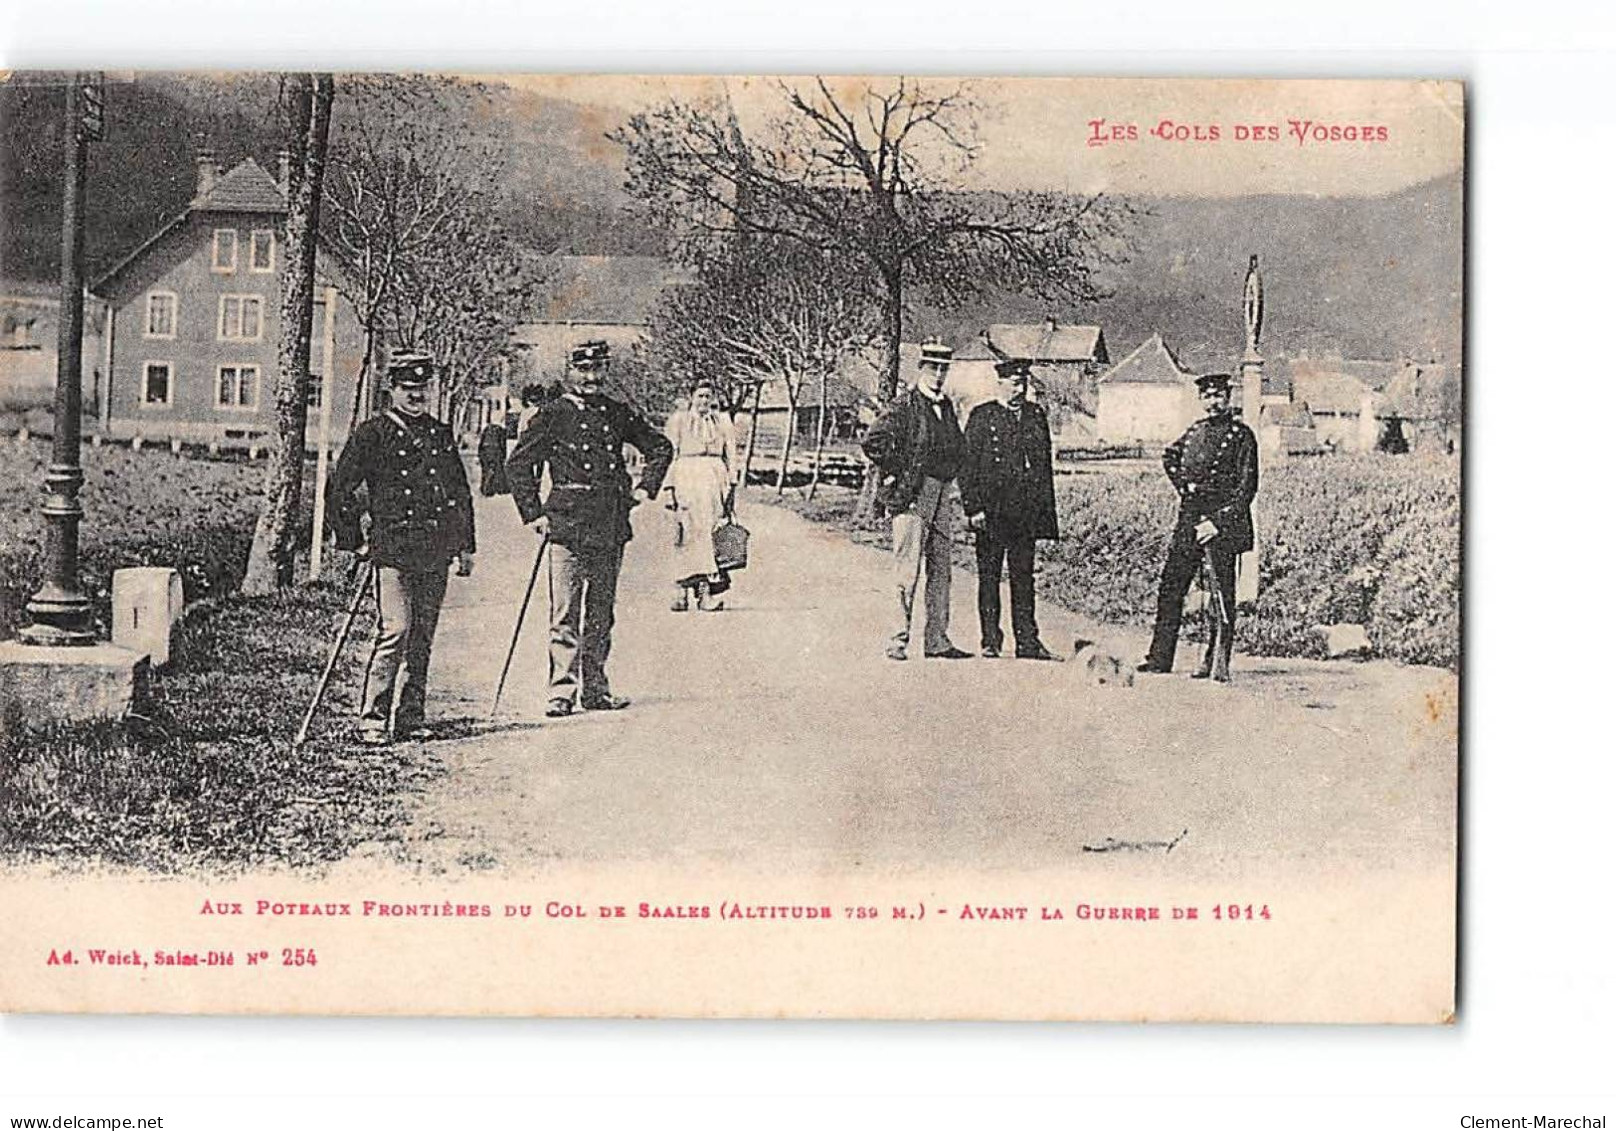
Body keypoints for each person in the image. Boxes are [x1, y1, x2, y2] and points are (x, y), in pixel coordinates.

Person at [505, 340, 673, 717]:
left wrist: (646, 487)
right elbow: (518, 465)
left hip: (609, 524)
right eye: (584, 370)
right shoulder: (550, 415)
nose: (591, 378)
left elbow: (660, 447)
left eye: (598, 370)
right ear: (570, 372)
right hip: (565, 524)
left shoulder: (617, 413)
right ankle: (561, 691)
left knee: (601, 612)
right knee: (564, 612)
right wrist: (534, 514)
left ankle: (595, 689)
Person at [325, 351, 476, 745]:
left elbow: (459, 494)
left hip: (435, 548)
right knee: (397, 630)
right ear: (392, 389)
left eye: (422, 388)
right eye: (408, 389)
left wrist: (465, 546)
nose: (416, 396)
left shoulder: (440, 434)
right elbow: (340, 488)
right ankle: (373, 716)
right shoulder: (372, 433)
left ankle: (411, 716)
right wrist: (353, 540)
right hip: (392, 550)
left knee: (422, 635)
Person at [1137, 372, 1260, 683]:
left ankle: (1217, 661)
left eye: (1218, 395)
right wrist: (1185, 487)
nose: (1213, 402)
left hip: (1222, 524)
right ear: (1200, 400)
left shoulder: (1241, 435)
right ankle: (1159, 658)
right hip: (1190, 519)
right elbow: (1170, 456)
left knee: (1220, 594)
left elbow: (1247, 487)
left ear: (1228, 397)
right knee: (1171, 586)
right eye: (1207, 396)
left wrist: (1217, 523)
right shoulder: (1194, 431)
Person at [860, 339, 971, 661]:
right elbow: (873, 441)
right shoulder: (905, 404)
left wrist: (952, 474)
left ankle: (937, 640)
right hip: (913, 494)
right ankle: (897, 640)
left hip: (941, 493)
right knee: (907, 570)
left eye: (943, 369)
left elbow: (958, 447)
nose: (938, 374)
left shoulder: (946, 406)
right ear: (922, 369)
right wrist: (900, 470)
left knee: (941, 569)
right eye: (933, 368)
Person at [959, 357, 1060, 661]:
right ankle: (990, 639)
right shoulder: (982, 416)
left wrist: (1044, 513)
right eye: (1015, 383)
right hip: (991, 512)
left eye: (1024, 383)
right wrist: (973, 507)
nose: (1020, 388)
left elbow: (1043, 467)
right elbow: (967, 466)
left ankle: (1028, 641)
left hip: (1024, 513)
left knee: (1024, 577)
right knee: (989, 576)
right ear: (1000, 383)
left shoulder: (1035, 415)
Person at [664, 380, 738, 612]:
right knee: (685, 534)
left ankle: (705, 594)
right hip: (687, 478)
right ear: (691, 397)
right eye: (700, 396)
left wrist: (732, 486)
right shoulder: (679, 421)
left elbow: (731, 454)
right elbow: (669, 454)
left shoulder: (722, 422)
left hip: (715, 481)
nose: (704, 401)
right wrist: (669, 489)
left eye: (708, 396)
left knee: (710, 537)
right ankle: (680, 593)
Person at [476, 415, 509, 497]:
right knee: (497, 471)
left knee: (486, 470)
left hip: (485, 452)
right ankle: (496, 489)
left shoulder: (486, 429)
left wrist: (479, 454)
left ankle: (485, 489)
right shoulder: (501, 430)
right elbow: (503, 444)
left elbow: (481, 442)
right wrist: (504, 456)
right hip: (496, 452)